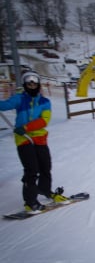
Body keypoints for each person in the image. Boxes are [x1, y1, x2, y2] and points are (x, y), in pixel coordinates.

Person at [0, 72, 70, 213]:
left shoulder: (44, 102)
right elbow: (4, 106)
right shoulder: (19, 99)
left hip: (39, 138)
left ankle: (44, 189)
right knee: (32, 169)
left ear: (38, 85)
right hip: (24, 139)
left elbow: (44, 120)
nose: (32, 86)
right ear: (25, 85)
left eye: (34, 83)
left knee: (45, 166)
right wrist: (23, 130)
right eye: (29, 84)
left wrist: (26, 127)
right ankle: (30, 201)